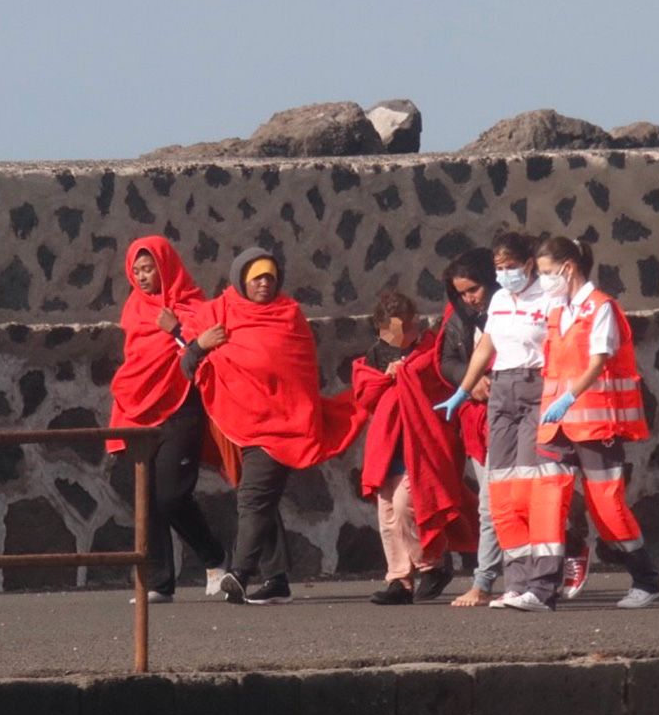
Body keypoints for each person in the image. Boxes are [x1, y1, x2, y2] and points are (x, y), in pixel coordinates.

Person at [180, 248, 366, 605]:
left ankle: (240, 573)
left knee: (253, 498)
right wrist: (200, 346)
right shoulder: (220, 313)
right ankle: (276, 580)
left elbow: (298, 370)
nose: (264, 284)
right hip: (238, 421)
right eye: (256, 278)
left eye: (270, 277)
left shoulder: (288, 315)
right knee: (258, 500)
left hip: (282, 424)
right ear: (241, 280)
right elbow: (189, 367)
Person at [434, 232, 563, 612]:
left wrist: (565, 393)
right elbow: (486, 346)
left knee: (532, 489)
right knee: (503, 494)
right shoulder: (502, 301)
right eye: (499, 269)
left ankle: (541, 585)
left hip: (536, 386)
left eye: (510, 268)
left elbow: (566, 344)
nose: (504, 275)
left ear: (528, 264)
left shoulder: (550, 297)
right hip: (501, 392)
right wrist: (463, 389)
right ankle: (517, 583)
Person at [534, 235, 659, 610]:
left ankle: (646, 579)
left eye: (545, 272)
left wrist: (569, 397)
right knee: (547, 498)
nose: (543, 280)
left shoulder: (601, 307)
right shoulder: (559, 310)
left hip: (594, 423)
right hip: (557, 425)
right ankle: (544, 584)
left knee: (606, 506)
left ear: (567, 268)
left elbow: (599, 360)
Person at [106, 236, 228, 604]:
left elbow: (203, 351)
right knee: (147, 497)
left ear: (166, 267)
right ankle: (159, 581)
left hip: (181, 407)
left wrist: (175, 328)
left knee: (173, 494)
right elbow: (135, 361)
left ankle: (215, 558)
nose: (143, 277)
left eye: (150, 269)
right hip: (137, 409)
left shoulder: (191, 304)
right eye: (137, 270)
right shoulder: (133, 309)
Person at [352, 291, 476, 604]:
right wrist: (389, 377)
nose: (407, 332)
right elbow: (366, 391)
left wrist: (403, 373)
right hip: (389, 443)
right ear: (382, 329)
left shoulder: (430, 349)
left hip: (422, 442)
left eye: (410, 325)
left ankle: (432, 564)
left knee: (410, 505)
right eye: (399, 327)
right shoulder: (375, 356)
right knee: (388, 511)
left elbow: (434, 380)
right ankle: (399, 579)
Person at [437, 248, 501, 607]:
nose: (469, 298)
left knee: (510, 502)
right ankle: (486, 581)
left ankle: (497, 581)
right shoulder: (459, 317)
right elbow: (447, 360)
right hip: (477, 418)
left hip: (515, 412)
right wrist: (468, 380)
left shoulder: (509, 312)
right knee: (490, 503)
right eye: (461, 292)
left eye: (474, 289)